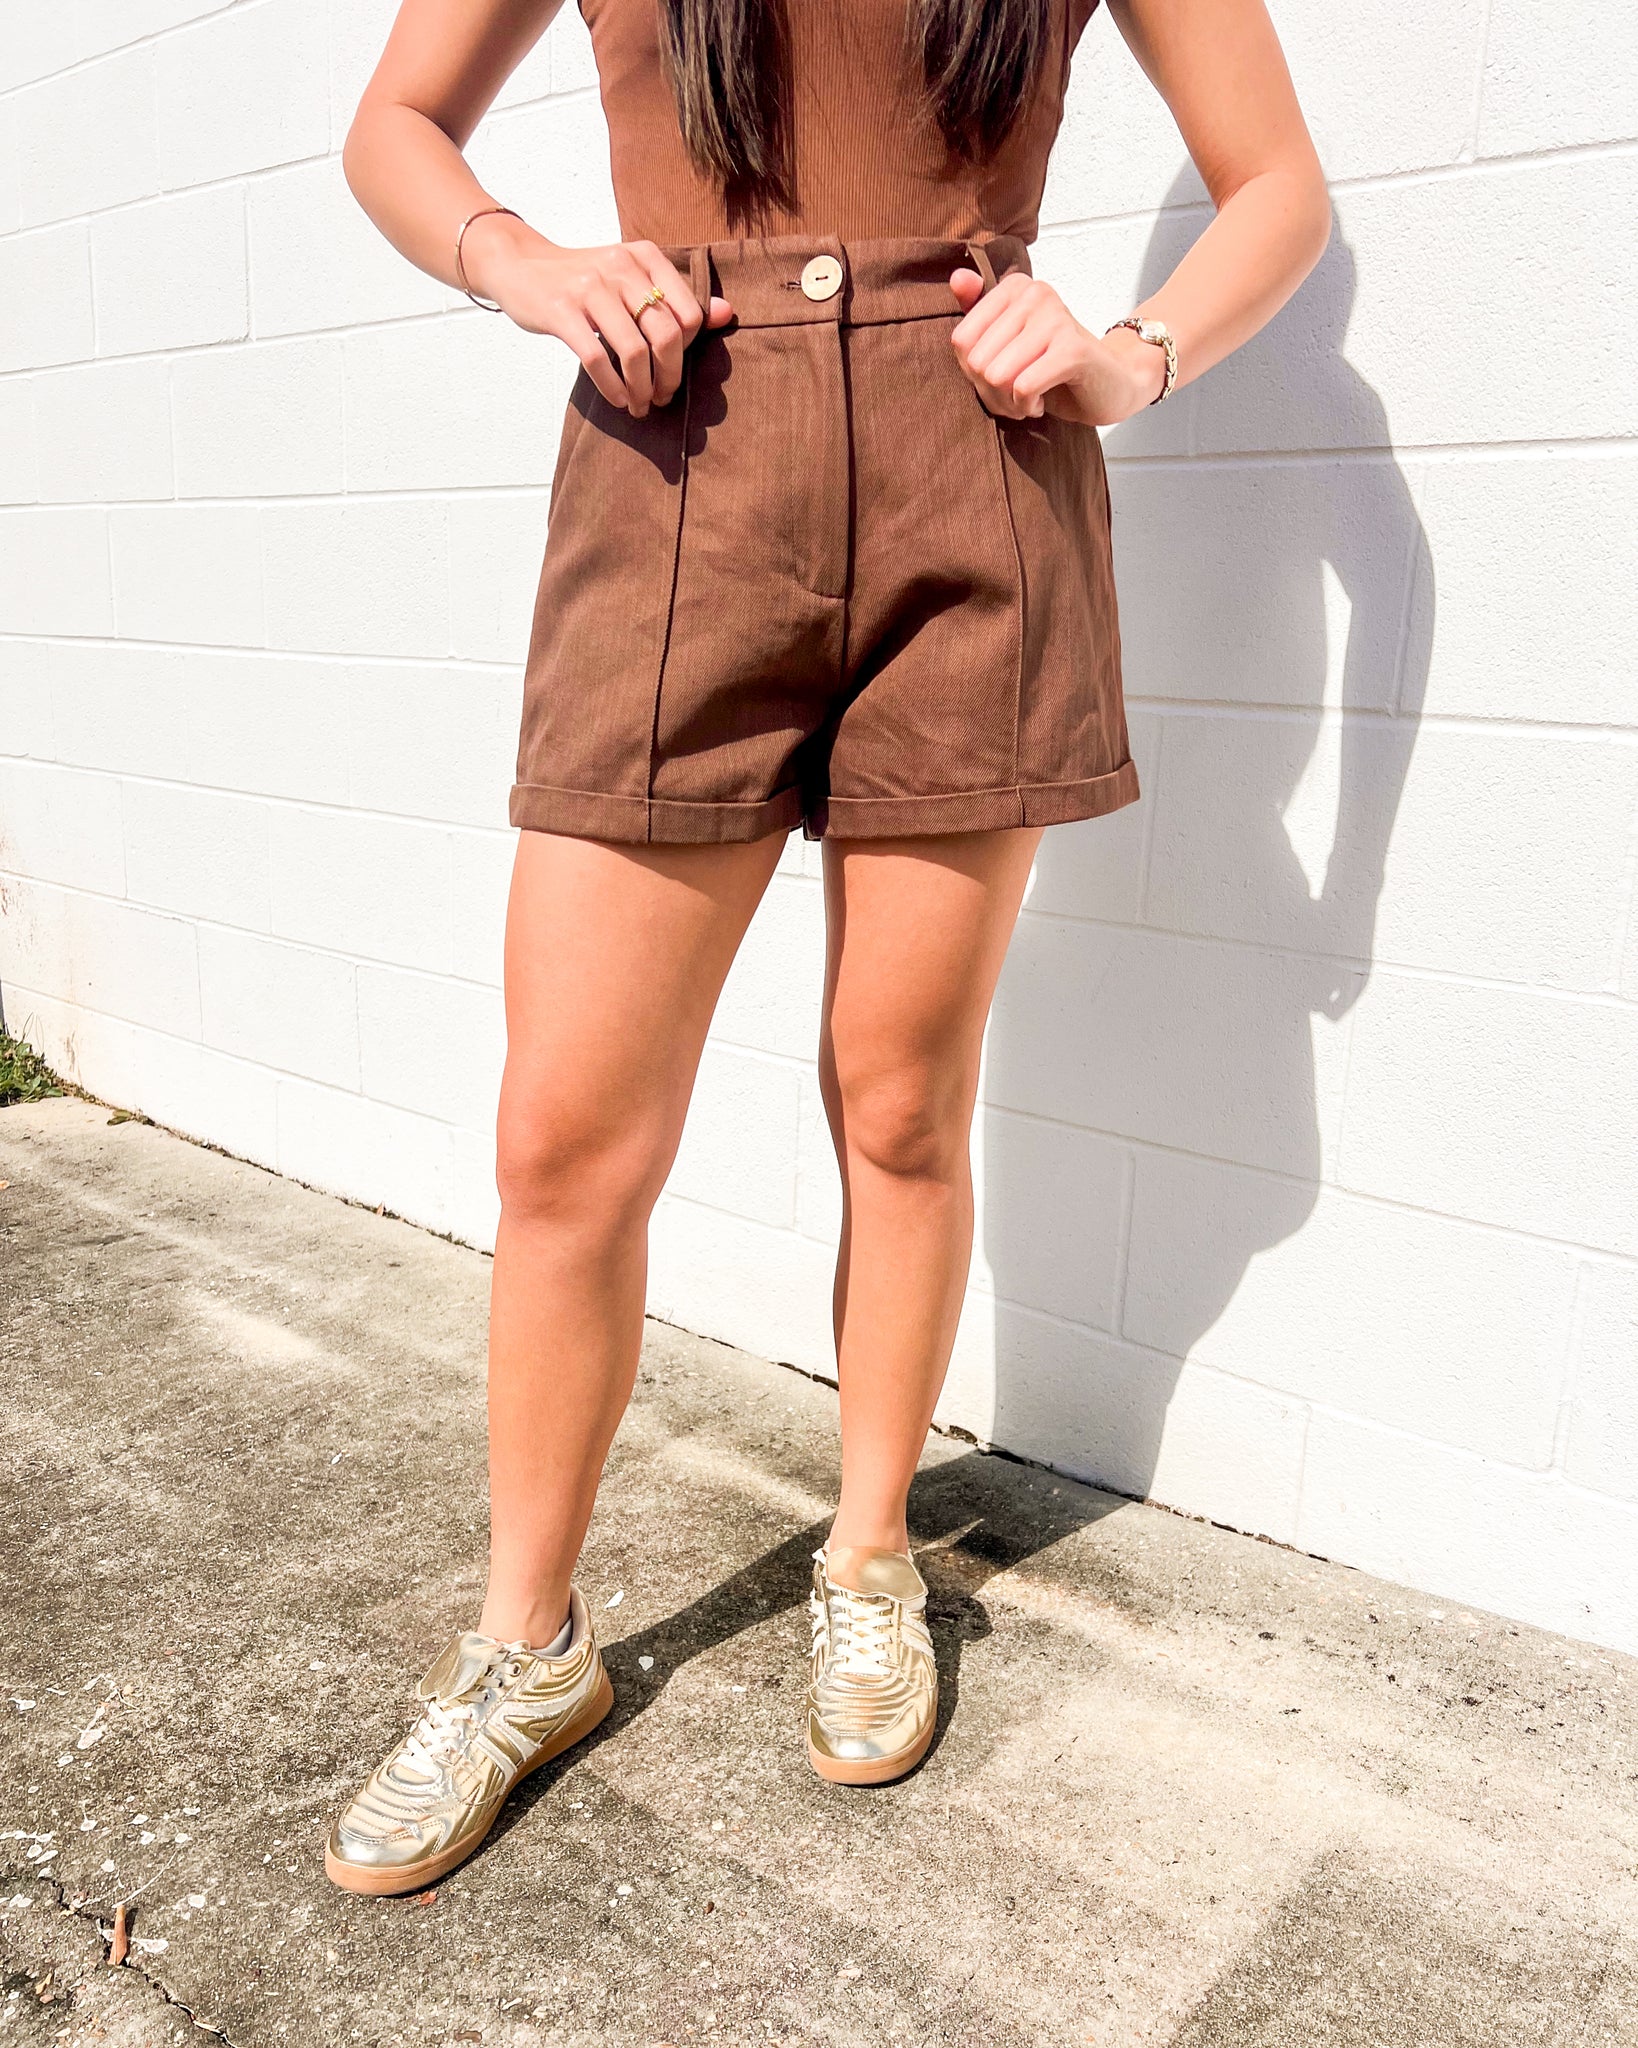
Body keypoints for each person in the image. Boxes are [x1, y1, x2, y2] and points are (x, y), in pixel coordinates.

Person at [324, 0, 1330, 1895]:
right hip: (673, 471)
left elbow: (1275, 180)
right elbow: (397, 121)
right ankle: (526, 1647)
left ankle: (867, 1557)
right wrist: (529, 266)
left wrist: (1129, 356)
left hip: (980, 490)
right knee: (564, 1139)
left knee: (900, 1103)